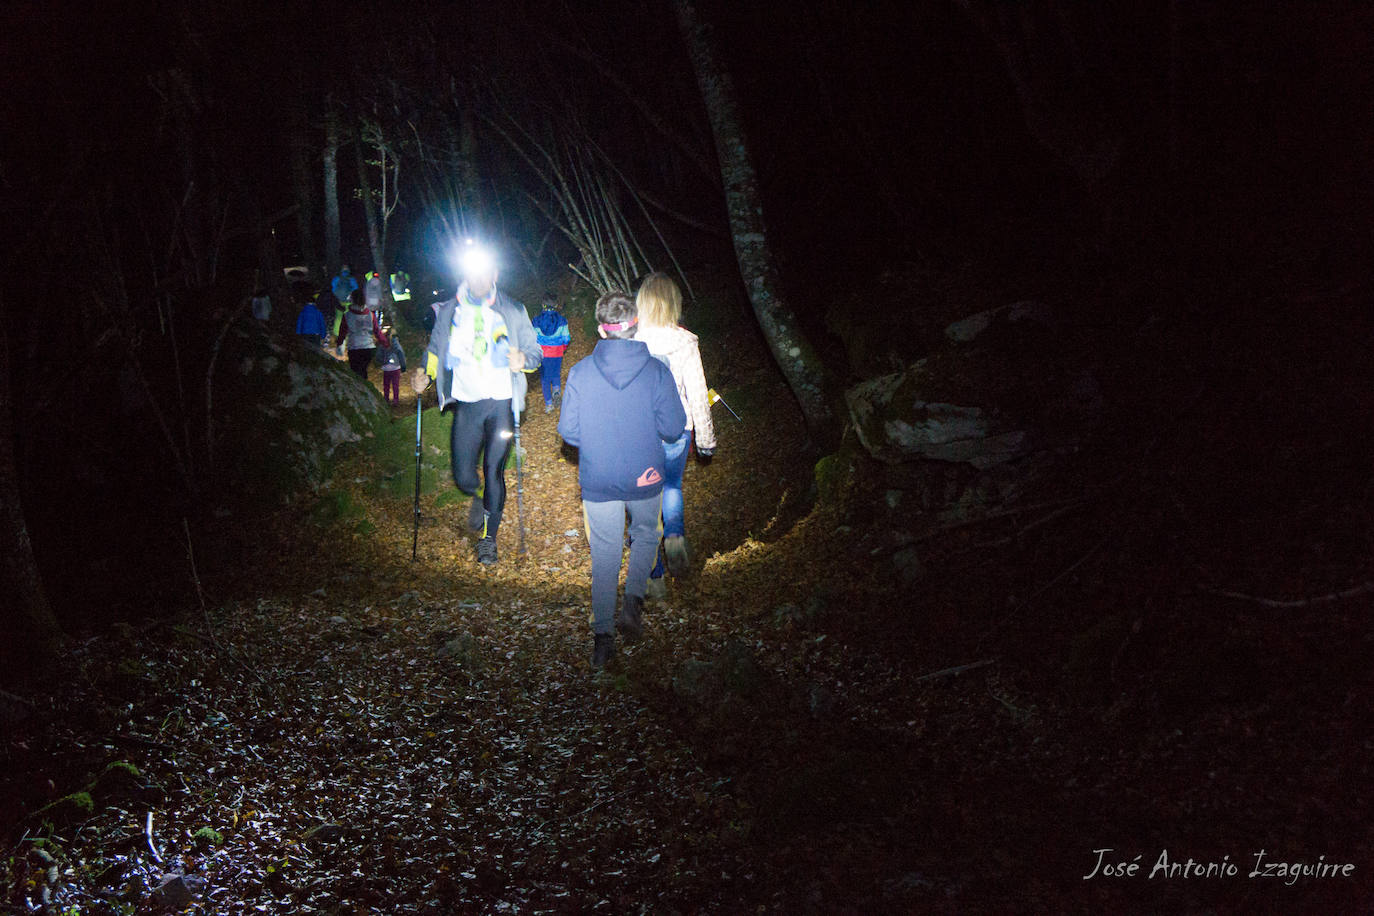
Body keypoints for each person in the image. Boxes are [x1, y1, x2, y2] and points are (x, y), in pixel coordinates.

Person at [557, 291, 686, 668]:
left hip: (598, 477)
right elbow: (675, 427)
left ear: (601, 329)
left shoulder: (580, 371)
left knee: (605, 552)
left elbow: (569, 432)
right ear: (635, 326)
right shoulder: (657, 370)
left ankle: (603, 639)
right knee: (646, 534)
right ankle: (633, 602)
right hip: (645, 473)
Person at [410, 242, 541, 566]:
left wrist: (523, 358)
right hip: (467, 404)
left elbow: (535, 352)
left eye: (485, 273)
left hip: (501, 403)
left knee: (493, 469)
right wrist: (424, 376)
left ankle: (488, 539)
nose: (479, 279)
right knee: (464, 476)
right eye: (473, 272)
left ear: (495, 274)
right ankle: (478, 497)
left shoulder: (513, 309)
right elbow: (436, 351)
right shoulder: (449, 311)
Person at [634, 272, 717, 591]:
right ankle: (675, 537)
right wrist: (706, 440)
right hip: (677, 429)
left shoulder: (631, 341)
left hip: (640, 432)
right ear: (673, 303)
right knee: (671, 486)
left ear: (642, 302)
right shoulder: (686, 341)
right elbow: (698, 393)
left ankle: (653, 575)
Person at [531, 296, 571, 412]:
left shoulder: (536, 321)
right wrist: (563, 347)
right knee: (556, 373)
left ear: (543, 305)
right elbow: (566, 338)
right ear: (556, 306)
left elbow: (533, 338)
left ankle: (549, 404)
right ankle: (557, 390)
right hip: (557, 352)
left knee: (545, 379)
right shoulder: (562, 320)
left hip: (543, 353)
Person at [337, 289, 381, 379]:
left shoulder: (347, 315)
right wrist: (385, 343)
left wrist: (339, 343)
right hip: (368, 347)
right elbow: (377, 331)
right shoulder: (371, 314)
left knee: (356, 372)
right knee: (363, 370)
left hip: (354, 347)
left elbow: (342, 332)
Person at [376, 326, 406, 406]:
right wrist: (403, 365)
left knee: (386, 385)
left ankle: (386, 399)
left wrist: (382, 361)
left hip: (386, 368)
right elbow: (401, 354)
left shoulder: (382, 344)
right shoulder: (397, 344)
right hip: (396, 367)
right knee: (395, 385)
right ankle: (395, 400)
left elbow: (378, 355)